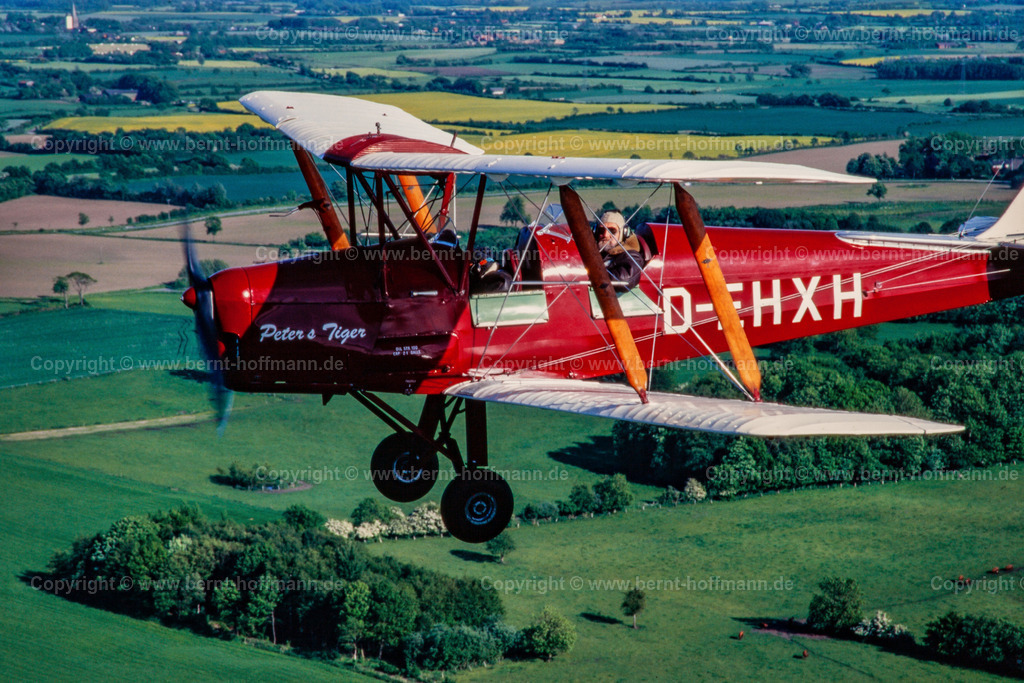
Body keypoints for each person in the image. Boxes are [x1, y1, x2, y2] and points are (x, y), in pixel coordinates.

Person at [594, 210, 643, 291]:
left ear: (623, 233)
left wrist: (592, 276)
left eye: (612, 230)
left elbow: (625, 280)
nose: (605, 235)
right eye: (601, 230)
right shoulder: (599, 253)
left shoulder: (631, 255)